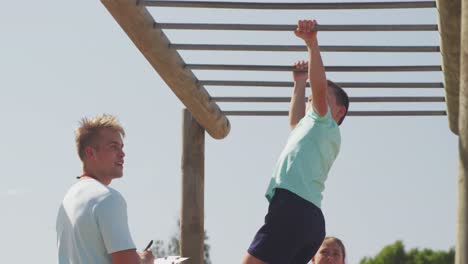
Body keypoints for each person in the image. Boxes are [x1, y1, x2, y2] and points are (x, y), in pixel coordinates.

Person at [242, 19, 349, 264]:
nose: (313, 101)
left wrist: (312, 45)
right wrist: (299, 84)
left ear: (339, 111)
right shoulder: (312, 128)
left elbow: (320, 89)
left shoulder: (326, 123)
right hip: (308, 218)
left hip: (294, 206)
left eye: (317, 98)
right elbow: (295, 121)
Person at [56, 114, 154, 264]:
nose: (122, 154)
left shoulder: (67, 200)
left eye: (121, 147)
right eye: (113, 147)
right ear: (90, 153)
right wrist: (145, 260)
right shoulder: (107, 198)